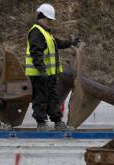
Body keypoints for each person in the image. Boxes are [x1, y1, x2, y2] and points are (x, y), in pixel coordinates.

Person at [25, 3, 80, 131]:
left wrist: (71, 43)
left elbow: (58, 43)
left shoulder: (45, 32)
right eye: (48, 20)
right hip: (39, 74)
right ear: (41, 17)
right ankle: (41, 123)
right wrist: (41, 70)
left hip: (49, 74)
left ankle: (57, 122)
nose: (50, 22)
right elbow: (36, 53)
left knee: (53, 98)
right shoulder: (36, 33)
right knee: (40, 98)